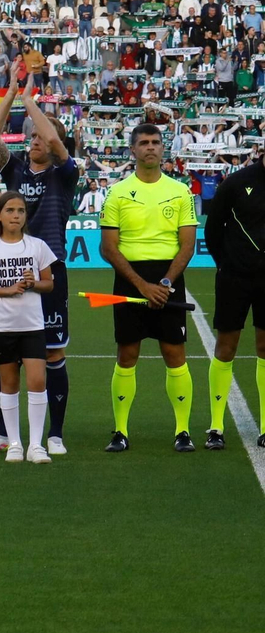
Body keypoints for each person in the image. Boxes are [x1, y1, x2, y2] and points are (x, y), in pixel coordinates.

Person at [0, 76, 77, 456]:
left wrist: (31, 101)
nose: (35, 140)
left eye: (40, 136)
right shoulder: (16, 171)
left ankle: (55, 434)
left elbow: (53, 139)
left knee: (51, 353)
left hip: (49, 270)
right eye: (31, 136)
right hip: (9, 270)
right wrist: (12, 96)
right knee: (8, 355)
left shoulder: (64, 174)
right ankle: (2, 433)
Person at [100, 123, 199, 453]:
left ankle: (183, 431)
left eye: (155, 142)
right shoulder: (117, 192)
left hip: (168, 278)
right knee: (127, 354)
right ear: (133, 150)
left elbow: (187, 245)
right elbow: (108, 248)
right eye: (143, 142)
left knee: (174, 353)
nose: (151, 147)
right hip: (131, 278)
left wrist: (165, 284)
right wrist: (142, 286)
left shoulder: (180, 191)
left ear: (163, 148)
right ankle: (120, 431)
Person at [0, 192, 57, 464]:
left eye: (20, 210)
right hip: (2, 326)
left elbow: (49, 284)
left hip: (32, 325)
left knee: (37, 381)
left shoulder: (37, 246)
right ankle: (15, 444)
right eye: (10, 210)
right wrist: (7, 290)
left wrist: (33, 283)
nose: (16, 215)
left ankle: (36, 445)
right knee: (8, 384)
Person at [203, 150, 265, 449]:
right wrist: (226, 265)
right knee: (226, 347)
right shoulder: (237, 182)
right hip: (234, 278)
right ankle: (216, 427)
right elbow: (213, 228)